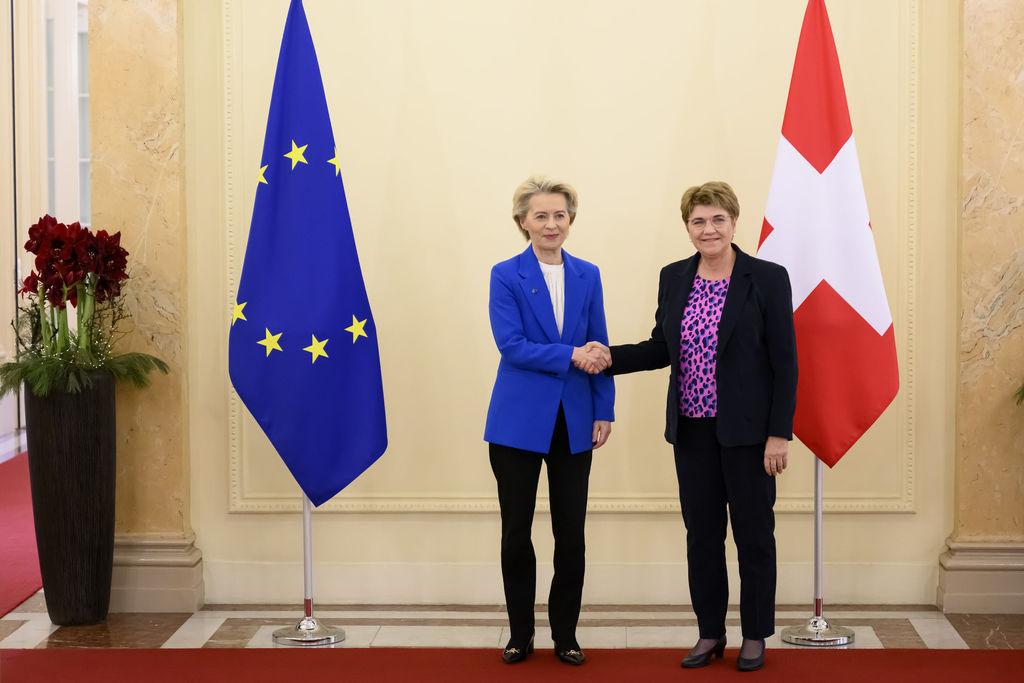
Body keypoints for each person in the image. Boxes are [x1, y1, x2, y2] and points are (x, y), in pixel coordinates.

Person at [587, 181, 796, 672]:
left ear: (733, 222)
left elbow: (786, 363)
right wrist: (609, 357)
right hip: (692, 432)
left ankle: (755, 635)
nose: (709, 229)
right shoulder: (674, 276)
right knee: (702, 536)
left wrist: (779, 433)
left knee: (754, 536)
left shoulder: (766, 277)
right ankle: (709, 632)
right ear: (688, 227)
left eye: (717, 219)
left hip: (748, 436)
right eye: (699, 221)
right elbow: (663, 346)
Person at [484, 175, 614, 666]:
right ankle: (520, 633)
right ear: (523, 222)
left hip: (575, 419)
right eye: (541, 215)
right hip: (517, 422)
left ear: (570, 220)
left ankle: (566, 634)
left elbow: (600, 346)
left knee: (571, 533)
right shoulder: (504, 274)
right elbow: (511, 345)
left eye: (560, 215)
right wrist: (572, 356)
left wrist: (604, 408)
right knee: (516, 530)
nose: (552, 223)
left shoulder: (589, 274)